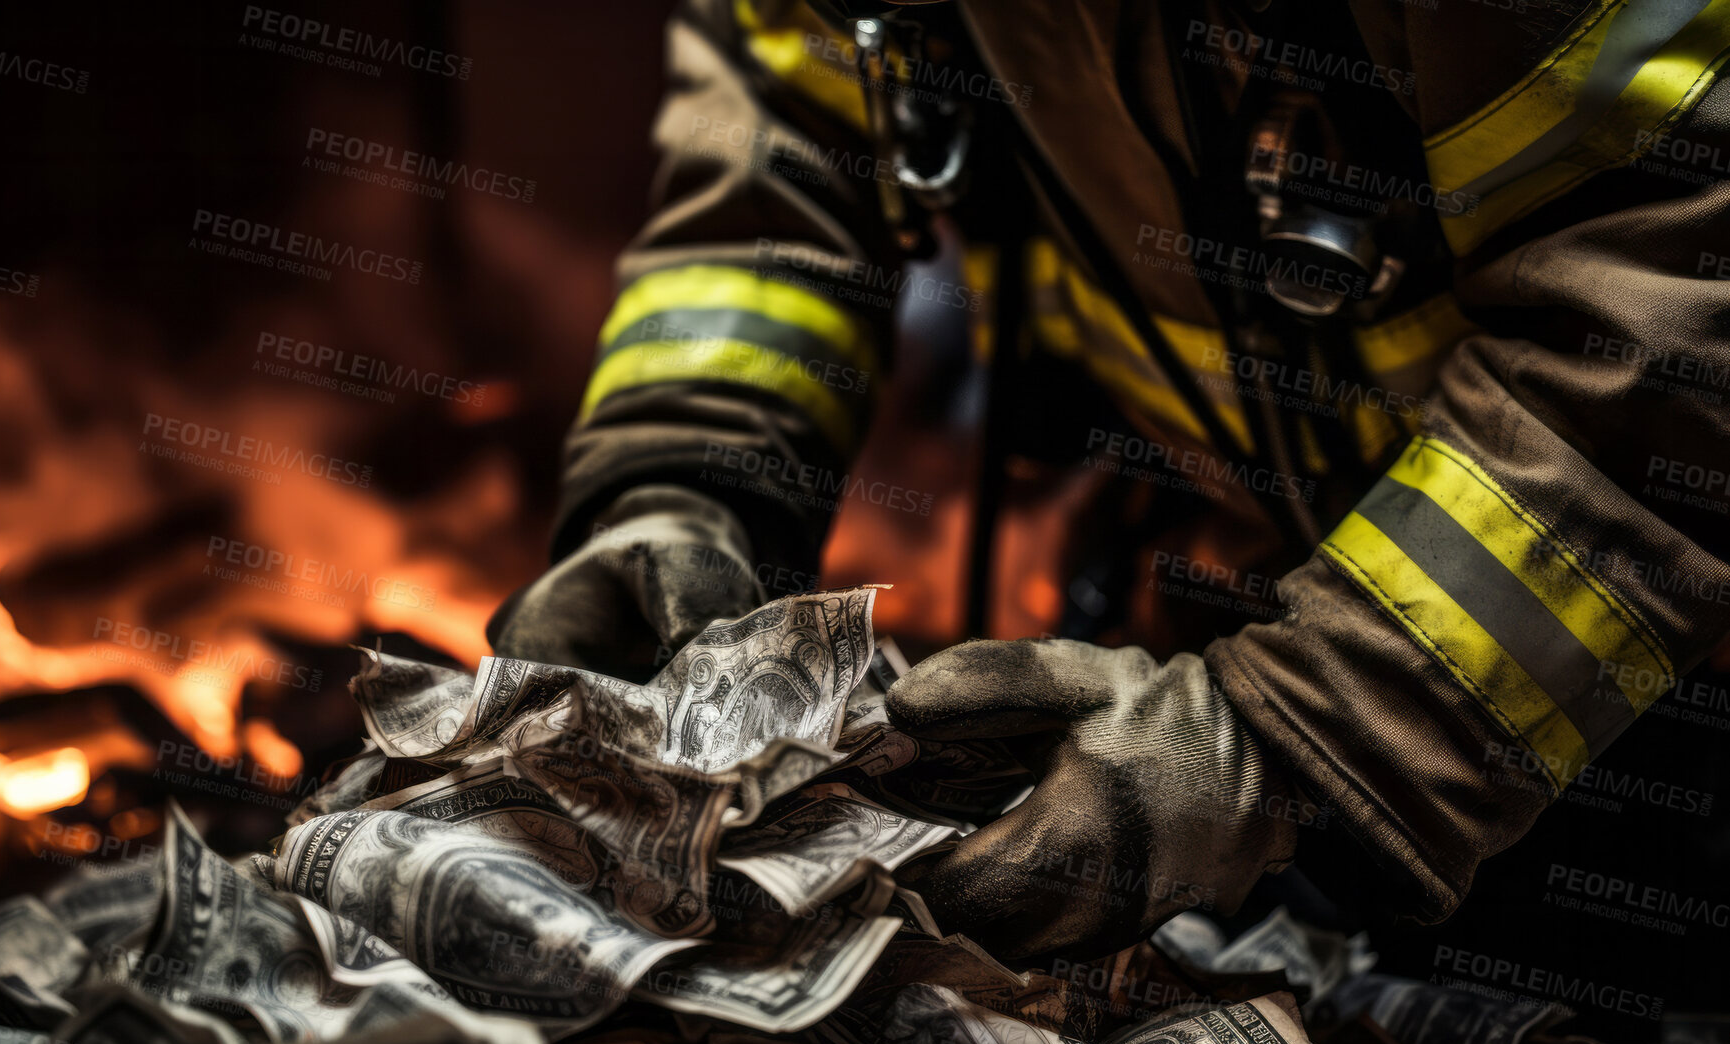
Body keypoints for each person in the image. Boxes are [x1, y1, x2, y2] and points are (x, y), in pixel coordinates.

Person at [489, 0, 1730, 960]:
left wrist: (1309, 724)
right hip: (1308, 629)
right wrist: (677, 479)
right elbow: (778, 160)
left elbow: (1686, 313)